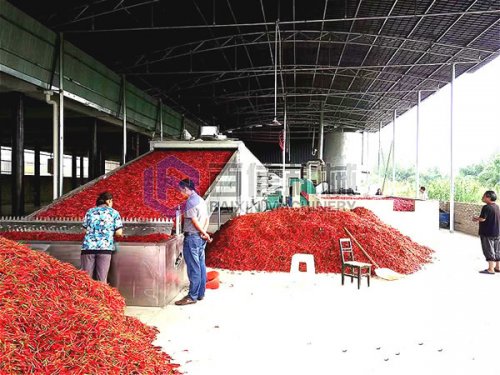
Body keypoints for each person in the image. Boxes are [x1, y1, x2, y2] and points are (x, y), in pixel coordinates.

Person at [175, 178, 212, 306]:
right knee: (201, 266)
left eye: (181, 190)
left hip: (192, 238)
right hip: (200, 238)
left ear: (186, 189)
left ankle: (192, 296)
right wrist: (204, 232)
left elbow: (195, 222)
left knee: (193, 268)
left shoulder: (190, 202)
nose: (181, 193)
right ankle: (200, 293)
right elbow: (206, 218)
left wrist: (203, 232)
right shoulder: (201, 200)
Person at [81, 191, 123, 282]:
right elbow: (119, 232)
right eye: (112, 201)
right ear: (108, 201)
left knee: (86, 280)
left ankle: (86, 296)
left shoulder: (90, 211)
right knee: (101, 280)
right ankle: (100, 296)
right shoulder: (114, 213)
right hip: (105, 248)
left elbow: (84, 230)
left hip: (88, 248)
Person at [473, 190, 500, 275]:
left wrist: (476, 218)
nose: (482, 197)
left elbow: (483, 219)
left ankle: (490, 269)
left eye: (484, 196)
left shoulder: (486, 207)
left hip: (487, 233)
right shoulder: (497, 206)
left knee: (488, 249)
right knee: (497, 250)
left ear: (488, 197)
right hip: (497, 232)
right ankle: (498, 267)